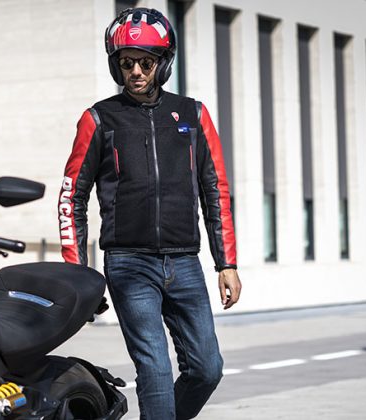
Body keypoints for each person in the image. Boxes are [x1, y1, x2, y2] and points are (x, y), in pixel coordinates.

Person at [57, 7, 242, 419]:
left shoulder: (193, 114)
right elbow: (71, 196)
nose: (136, 72)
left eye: (146, 62)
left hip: (185, 262)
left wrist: (226, 262)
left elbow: (216, 190)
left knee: (207, 369)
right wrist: (78, 273)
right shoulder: (98, 119)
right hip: (129, 264)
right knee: (155, 369)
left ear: (164, 63)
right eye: (127, 63)